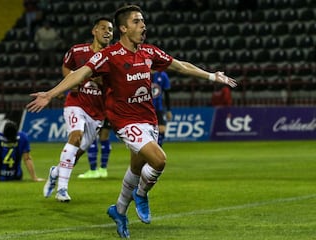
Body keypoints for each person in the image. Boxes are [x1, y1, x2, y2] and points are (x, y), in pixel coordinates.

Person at [26, 5, 237, 238]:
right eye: (137, 21)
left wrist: (211, 76)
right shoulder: (109, 55)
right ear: (124, 28)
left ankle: (119, 211)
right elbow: (80, 72)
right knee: (158, 160)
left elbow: (180, 65)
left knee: (136, 167)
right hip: (124, 121)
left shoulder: (148, 52)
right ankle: (142, 194)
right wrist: (50, 94)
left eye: (143, 20)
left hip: (148, 119)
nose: (143, 25)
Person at [42, 17, 114, 202]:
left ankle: (56, 172)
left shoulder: (114, 57)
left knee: (78, 152)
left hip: (98, 111)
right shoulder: (77, 50)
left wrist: (101, 81)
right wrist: (70, 83)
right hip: (76, 103)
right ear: (94, 31)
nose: (108, 32)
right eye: (103, 28)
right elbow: (66, 67)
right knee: (75, 136)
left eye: (111, 30)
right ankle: (62, 190)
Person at [151, 71, 172, 147]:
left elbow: (167, 94)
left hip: (158, 107)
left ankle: (157, 151)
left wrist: (169, 110)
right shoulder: (142, 72)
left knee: (162, 129)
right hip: (145, 109)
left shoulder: (163, 75)